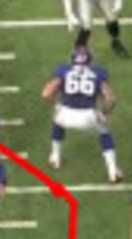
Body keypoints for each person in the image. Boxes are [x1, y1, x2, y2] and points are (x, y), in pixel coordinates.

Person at [41, 46, 123, 182]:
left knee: (57, 119)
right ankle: (112, 171)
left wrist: (56, 105)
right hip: (88, 116)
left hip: (65, 114)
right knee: (104, 132)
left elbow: (45, 94)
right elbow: (111, 98)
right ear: (90, 61)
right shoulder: (97, 72)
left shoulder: (63, 70)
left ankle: (55, 157)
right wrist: (103, 113)